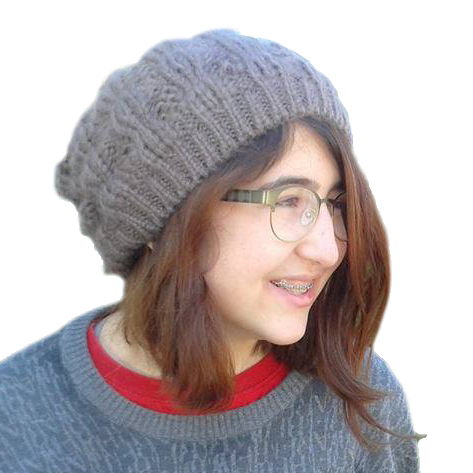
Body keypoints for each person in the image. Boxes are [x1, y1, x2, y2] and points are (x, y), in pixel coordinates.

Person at [0, 28, 425, 472]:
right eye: (287, 201)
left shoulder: (357, 403)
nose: (327, 250)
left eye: (334, 204)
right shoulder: (16, 420)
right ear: (166, 220)